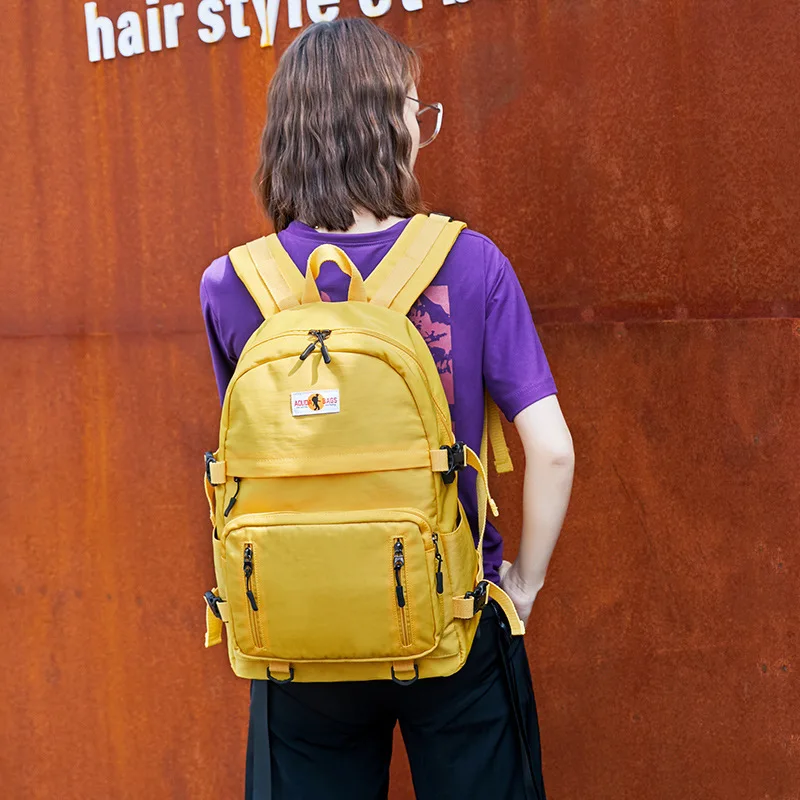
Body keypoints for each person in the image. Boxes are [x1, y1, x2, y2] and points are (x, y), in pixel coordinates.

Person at [200, 17, 574, 800]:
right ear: (380, 125)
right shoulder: (470, 264)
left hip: (297, 630)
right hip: (453, 617)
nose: (419, 128)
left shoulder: (232, 284)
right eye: (413, 107)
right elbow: (552, 449)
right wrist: (522, 586)